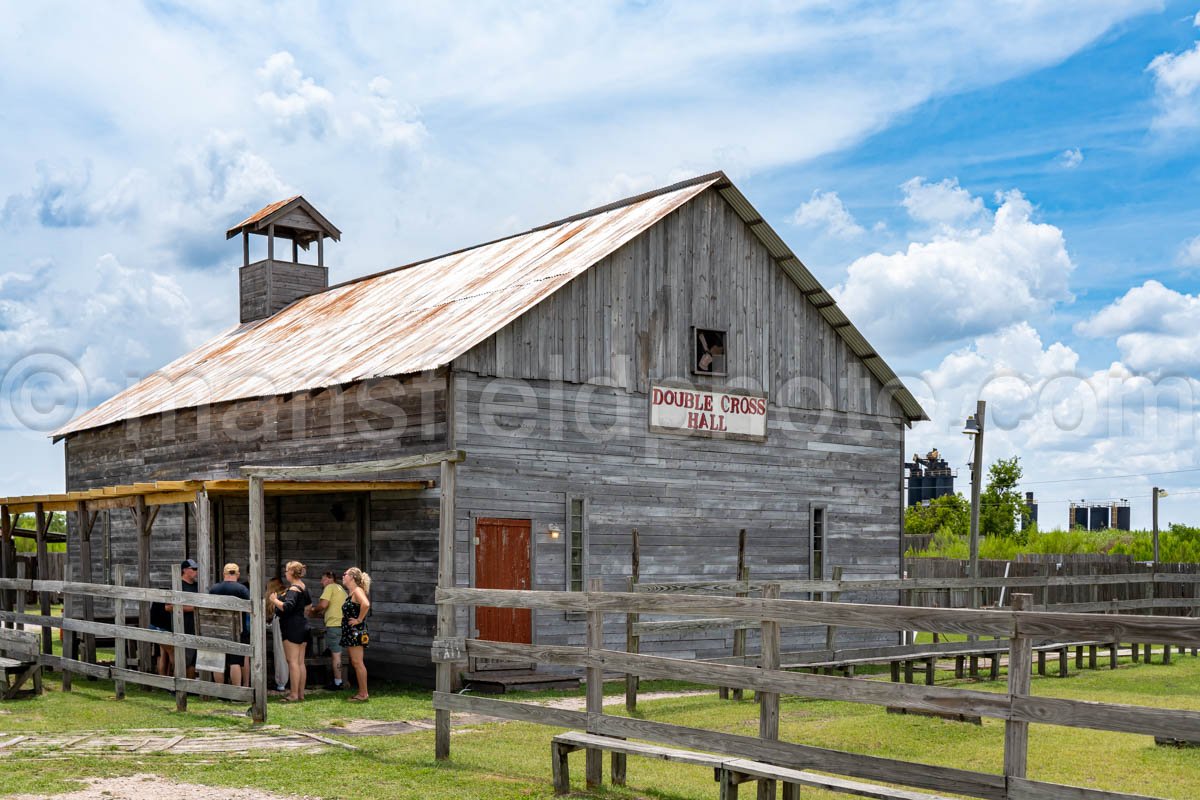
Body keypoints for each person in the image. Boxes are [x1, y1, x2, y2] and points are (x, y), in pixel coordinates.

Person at [269, 561, 311, 702]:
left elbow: (287, 607)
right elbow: (309, 607)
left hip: (292, 627)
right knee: (300, 662)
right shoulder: (303, 587)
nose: (285, 573)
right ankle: (300, 694)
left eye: (287, 570)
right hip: (303, 625)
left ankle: (293, 694)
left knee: (292, 662)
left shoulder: (293, 589)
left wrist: (275, 600)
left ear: (292, 572)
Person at [208, 563, 251, 686]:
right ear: (237, 574)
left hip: (218, 629)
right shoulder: (242, 589)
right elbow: (250, 608)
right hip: (237, 629)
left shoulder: (214, 589)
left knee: (218, 660)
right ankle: (236, 691)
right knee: (235, 661)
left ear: (224, 574)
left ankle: (221, 693)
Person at [307, 570, 348, 690]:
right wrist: (318, 614)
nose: (321, 582)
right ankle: (339, 680)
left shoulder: (330, 587)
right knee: (337, 653)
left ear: (330, 579)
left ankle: (338, 682)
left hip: (334, 625)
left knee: (336, 655)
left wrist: (313, 610)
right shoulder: (340, 589)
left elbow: (323, 605)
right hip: (342, 625)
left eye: (323, 579)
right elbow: (329, 610)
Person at [340, 567, 371, 702]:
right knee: (356, 662)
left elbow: (366, 604)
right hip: (352, 631)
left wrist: (359, 619)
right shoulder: (352, 592)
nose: (343, 576)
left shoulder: (357, 590)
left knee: (358, 662)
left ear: (352, 577)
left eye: (345, 574)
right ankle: (362, 692)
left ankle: (363, 694)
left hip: (356, 631)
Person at [164, 559, 199, 679]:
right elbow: (168, 607)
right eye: (194, 569)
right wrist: (193, 609)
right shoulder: (177, 585)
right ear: (185, 570)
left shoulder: (197, 586)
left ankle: (189, 688)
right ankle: (178, 686)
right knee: (183, 659)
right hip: (182, 626)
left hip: (196, 627)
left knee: (193, 660)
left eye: (197, 569)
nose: (196, 571)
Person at [264, 577, 289, 692]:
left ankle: (281, 683)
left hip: (279, 624)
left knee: (280, 653)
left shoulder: (275, 597)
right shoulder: (288, 593)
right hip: (291, 625)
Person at [148, 598, 174, 677]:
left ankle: (164, 678)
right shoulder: (168, 600)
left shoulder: (158, 599)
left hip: (156, 627)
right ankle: (173, 675)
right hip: (162, 629)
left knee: (162, 654)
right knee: (172, 653)